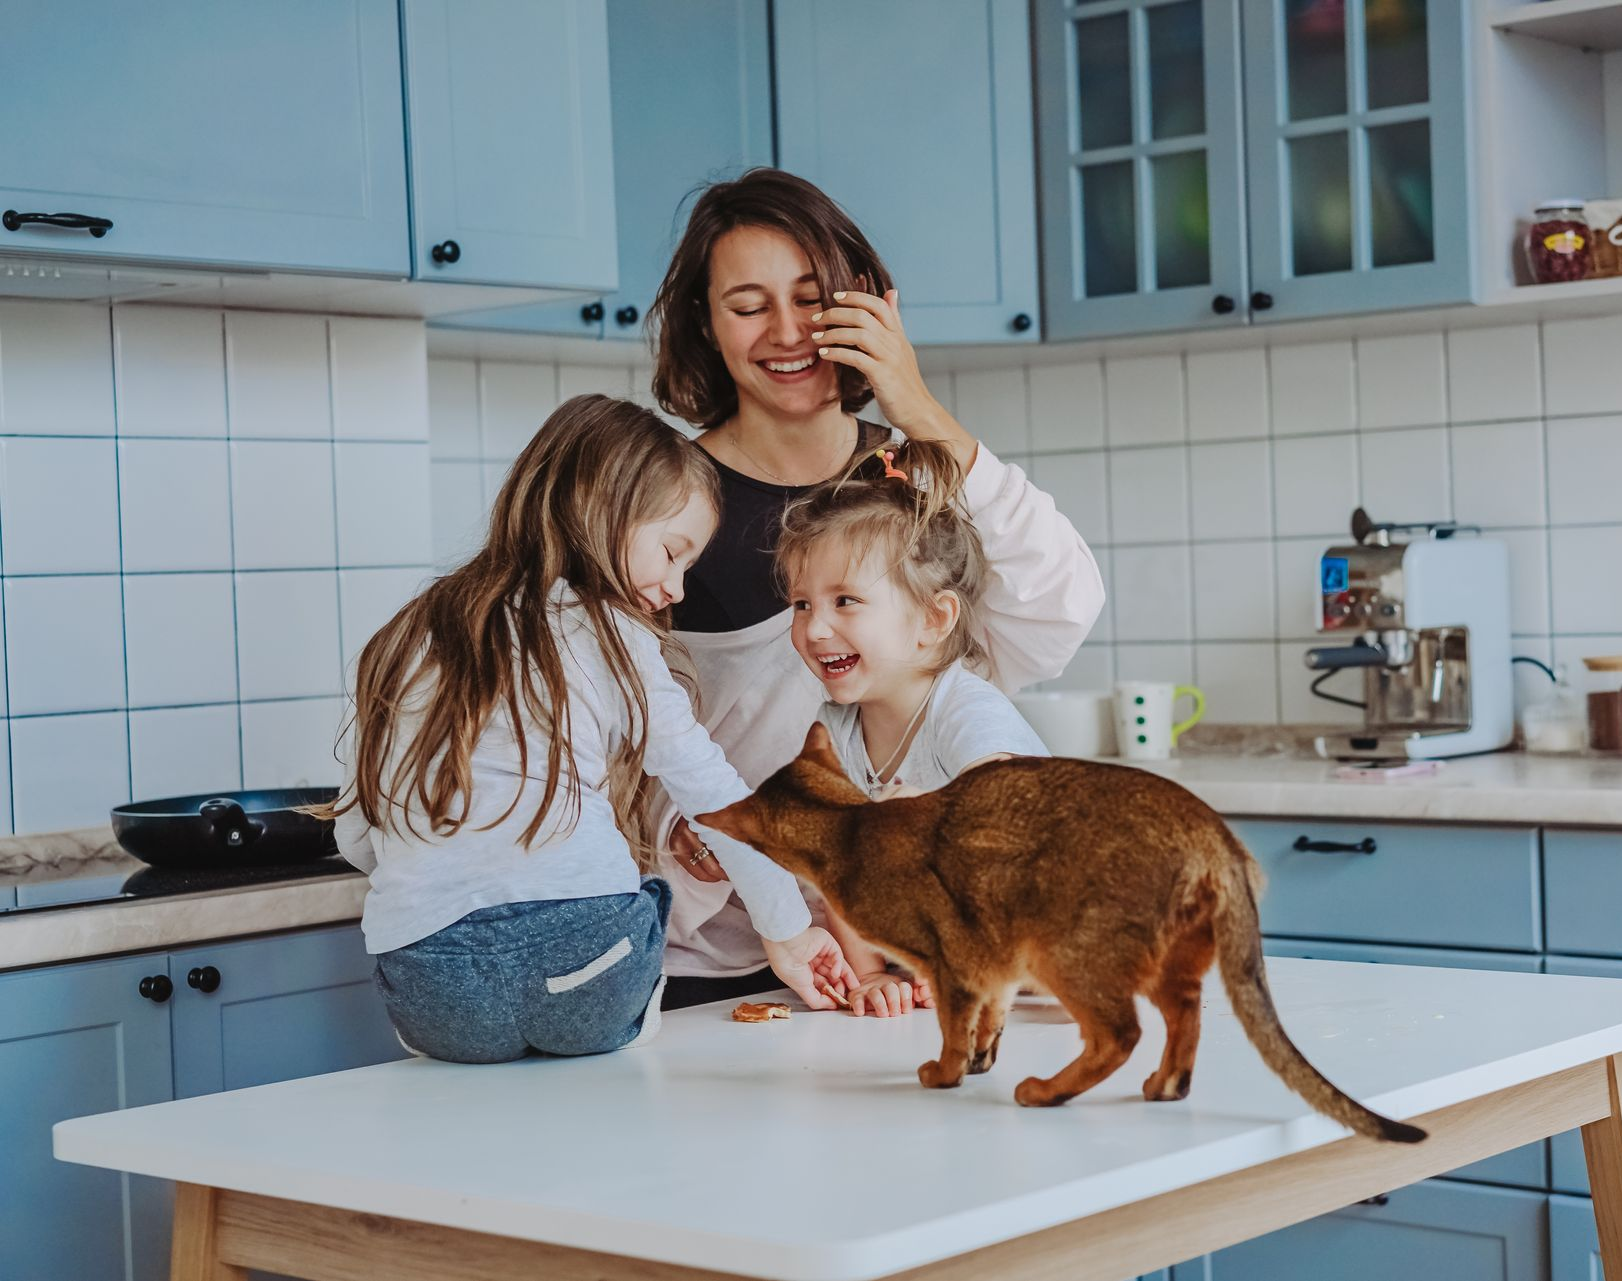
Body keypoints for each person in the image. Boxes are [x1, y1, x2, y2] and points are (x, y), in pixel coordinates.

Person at [643, 168, 1105, 1010]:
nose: (788, 331)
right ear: (706, 327)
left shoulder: (919, 472)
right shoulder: (663, 504)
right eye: (748, 306)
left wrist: (919, 406)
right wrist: (669, 830)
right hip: (717, 963)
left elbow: (1057, 611)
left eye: (814, 298)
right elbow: (605, 720)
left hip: (908, 967)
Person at [325, 395, 855, 1063]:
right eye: (671, 552)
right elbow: (715, 796)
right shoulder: (611, 633)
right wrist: (789, 930)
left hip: (434, 995)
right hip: (592, 969)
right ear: (600, 508)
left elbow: (356, 831)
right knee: (636, 905)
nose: (675, 588)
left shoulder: (403, 635)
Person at [776, 438, 1050, 1017]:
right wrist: (869, 977)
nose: (814, 628)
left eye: (845, 600)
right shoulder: (836, 727)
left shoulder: (964, 708)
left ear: (933, 618)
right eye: (801, 604)